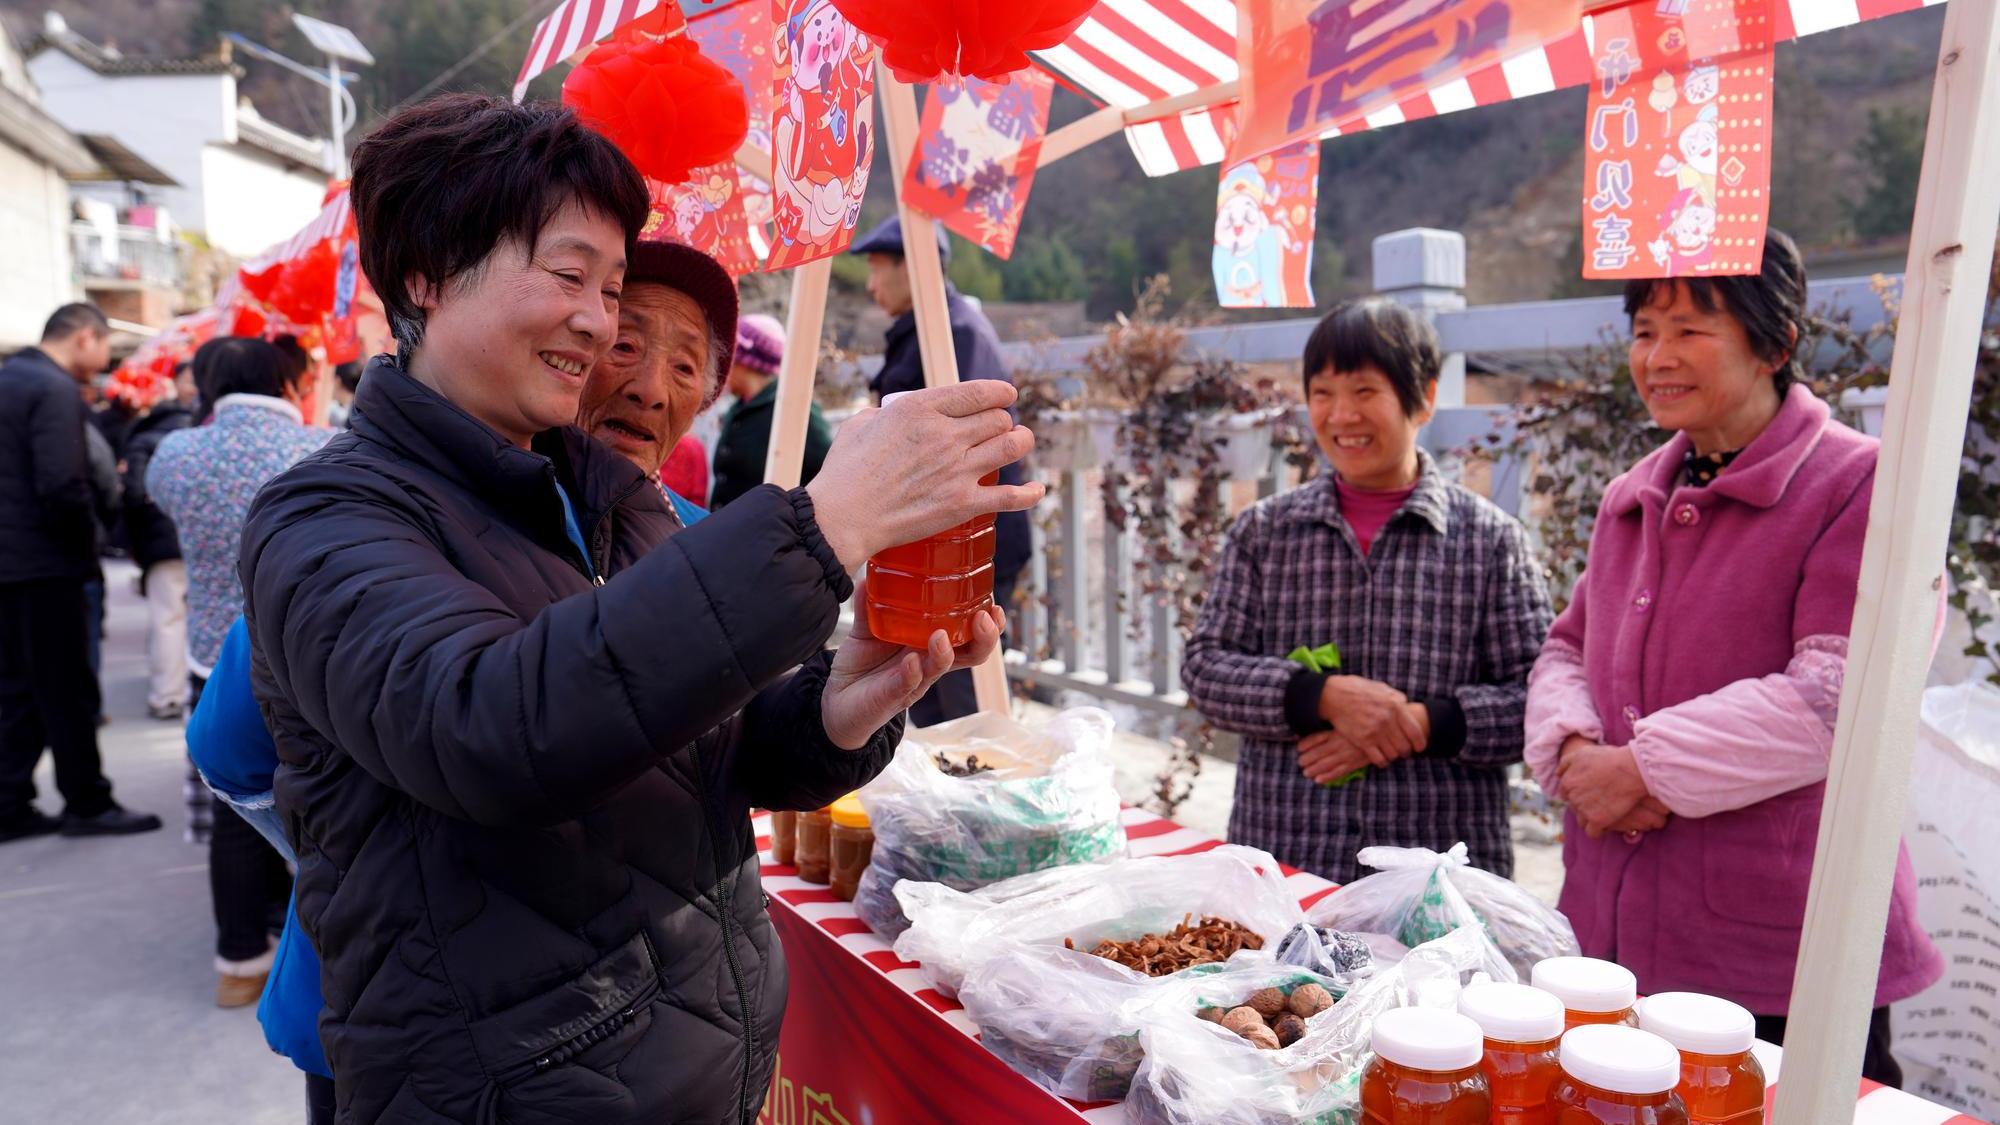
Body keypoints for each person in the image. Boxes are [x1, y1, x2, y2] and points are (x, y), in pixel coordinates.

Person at [239, 94, 1039, 1124]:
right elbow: (495, 726)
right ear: (425, 274)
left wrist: (842, 704)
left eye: (611, 288)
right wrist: (824, 524)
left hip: (695, 1066)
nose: (597, 320)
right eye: (568, 275)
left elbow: (704, 753)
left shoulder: (611, 497)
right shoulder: (324, 517)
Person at [190, 238, 745, 1125]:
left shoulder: (697, 540)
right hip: (407, 1024)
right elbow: (230, 746)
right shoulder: (391, 529)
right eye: (624, 342)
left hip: (637, 1030)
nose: (650, 388)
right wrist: (358, 853)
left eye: (686, 366)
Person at [1523, 231, 1942, 1085]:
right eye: (1645, 331)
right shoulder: (1633, 493)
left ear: (1775, 344)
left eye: (1690, 329)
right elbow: (1567, 645)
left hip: (1778, 943)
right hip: (1613, 925)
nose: (1658, 357)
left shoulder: (1862, 485)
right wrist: (1572, 750)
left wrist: (1642, 767)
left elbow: (1838, 694)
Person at [1182, 297, 1553, 884]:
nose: (1341, 415)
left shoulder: (1490, 541)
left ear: (1424, 398)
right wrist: (1319, 697)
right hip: (1286, 857)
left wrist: (1419, 724)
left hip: (1437, 877)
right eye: (1322, 393)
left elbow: (1541, 700)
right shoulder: (1264, 531)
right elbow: (1205, 669)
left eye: (1364, 391)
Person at [148, 335, 329, 1006]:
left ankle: (240, 959)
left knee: (234, 804)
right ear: (286, 380)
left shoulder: (176, 454)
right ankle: (314, 944)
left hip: (210, 653)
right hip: (300, 654)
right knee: (315, 799)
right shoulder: (321, 447)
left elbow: (159, 501)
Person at [852, 216, 1032, 725]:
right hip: (922, 548)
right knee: (923, 684)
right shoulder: (922, 331)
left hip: (964, 544)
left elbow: (962, 449)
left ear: (915, 265)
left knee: (965, 699)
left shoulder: (953, 334)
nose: (870, 285)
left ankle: (972, 778)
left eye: (877, 268)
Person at [0, 303, 162, 842]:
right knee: (66, 688)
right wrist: (88, 545)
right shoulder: (52, 388)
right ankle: (87, 802)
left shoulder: (11, 379)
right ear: (85, 337)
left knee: (17, 688)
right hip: (47, 564)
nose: (105, 360)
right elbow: (61, 484)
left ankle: (10, 802)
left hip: (13, 564)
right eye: (105, 346)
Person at [123, 363, 198, 720]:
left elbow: (135, 493)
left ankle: (167, 695)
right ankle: (196, 691)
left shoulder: (146, 436)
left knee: (167, 618)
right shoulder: (207, 433)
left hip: (161, 541)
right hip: (201, 539)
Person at [709, 312, 832, 509]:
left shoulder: (795, 411)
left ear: (744, 361)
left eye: (726, 357)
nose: (718, 366)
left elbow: (828, 472)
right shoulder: (739, 408)